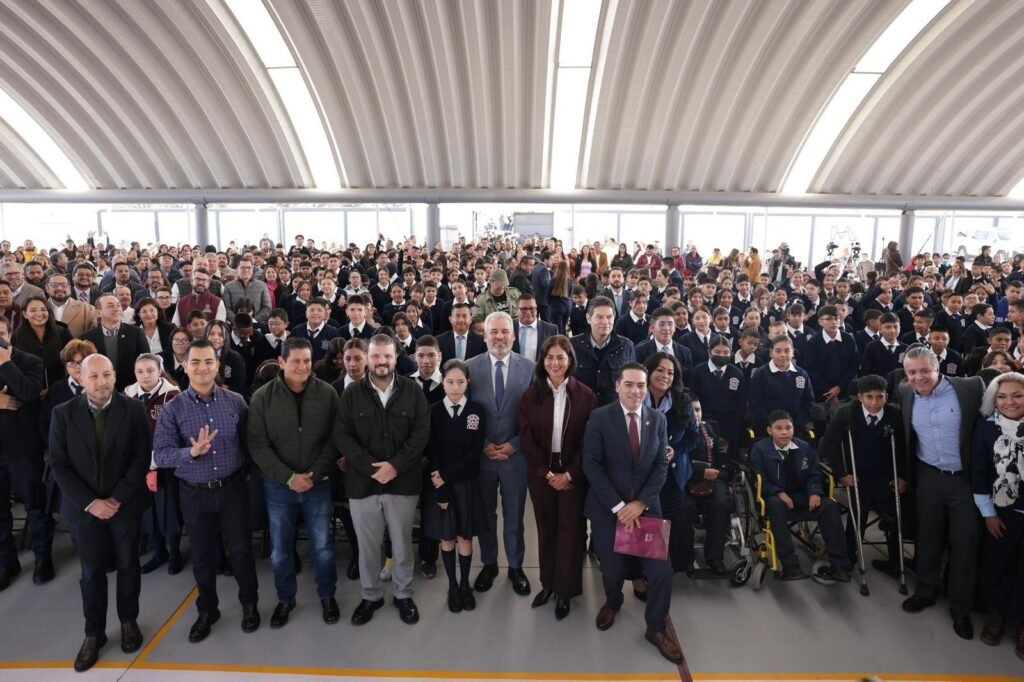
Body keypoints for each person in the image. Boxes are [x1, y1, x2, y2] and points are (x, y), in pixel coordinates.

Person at [48, 354, 151, 672]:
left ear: (115, 376)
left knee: (128, 565)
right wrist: (91, 503)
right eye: (93, 376)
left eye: (106, 375)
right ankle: (94, 633)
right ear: (81, 378)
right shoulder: (62, 413)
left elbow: (141, 457)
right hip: (84, 510)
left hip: (125, 506)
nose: (101, 382)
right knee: (91, 572)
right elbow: (59, 465)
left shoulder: (133, 409)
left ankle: (129, 621)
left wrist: (117, 498)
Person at [153, 340, 261, 643]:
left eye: (209, 362)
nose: (203, 368)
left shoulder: (236, 402)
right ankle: (207, 610)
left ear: (217, 366)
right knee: (202, 556)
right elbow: (161, 454)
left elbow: (249, 445)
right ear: (185, 367)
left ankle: (249, 604)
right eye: (196, 362)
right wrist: (190, 453)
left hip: (232, 490)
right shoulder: (172, 408)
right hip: (194, 493)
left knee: (241, 551)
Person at [581, 362, 682, 664]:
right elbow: (592, 465)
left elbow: (661, 465)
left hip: (646, 509)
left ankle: (655, 627)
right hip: (608, 509)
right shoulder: (600, 418)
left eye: (640, 385)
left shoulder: (657, 420)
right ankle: (613, 602)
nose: (635, 391)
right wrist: (619, 507)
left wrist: (641, 504)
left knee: (661, 572)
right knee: (612, 571)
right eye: (629, 384)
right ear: (617, 386)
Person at [333, 334, 430, 626]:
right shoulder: (351, 394)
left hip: (403, 482)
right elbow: (343, 436)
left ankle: (403, 594)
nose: (381, 362)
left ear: (396, 358)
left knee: (401, 543)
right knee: (367, 547)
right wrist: (373, 468)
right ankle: (371, 595)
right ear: (368, 358)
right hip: (363, 484)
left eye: (387, 356)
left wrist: (395, 466)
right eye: (375, 356)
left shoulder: (413, 391)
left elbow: (421, 434)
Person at [249, 338, 341, 629]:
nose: (302, 366)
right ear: (281, 362)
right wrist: (288, 477)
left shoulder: (327, 394)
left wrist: (313, 474)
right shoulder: (262, 398)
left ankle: (327, 595)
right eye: (296, 361)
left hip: (318, 484)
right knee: (280, 550)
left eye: (307, 360)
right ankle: (285, 599)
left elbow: (335, 439)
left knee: (323, 546)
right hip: (279, 487)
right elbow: (258, 444)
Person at [897, 346, 984, 640]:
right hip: (928, 476)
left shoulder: (970, 388)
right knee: (928, 536)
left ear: (938, 368)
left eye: (925, 370)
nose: (918, 377)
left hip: (964, 480)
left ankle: (960, 608)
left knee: (965, 544)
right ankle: (926, 591)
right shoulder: (904, 392)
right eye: (912, 372)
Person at [519, 335, 597, 619]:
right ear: (542, 361)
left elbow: (589, 442)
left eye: (560, 357)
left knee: (571, 532)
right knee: (546, 529)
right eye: (549, 357)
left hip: (574, 472)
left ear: (570, 360)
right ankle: (548, 584)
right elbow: (526, 439)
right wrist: (547, 473)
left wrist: (570, 474)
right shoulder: (530, 396)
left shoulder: (586, 396)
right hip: (541, 472)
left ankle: (565, 591)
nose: (555, 363)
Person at [465, 312, 535, 596]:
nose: (499, 337)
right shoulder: (469, 368)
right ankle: (489, 563)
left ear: (514, 336)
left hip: (515, 457)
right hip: (482, 456)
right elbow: (466, 413)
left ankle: (516, 567)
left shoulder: (529, 368)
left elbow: (534, 415)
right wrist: (481, 442)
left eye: (505, 332)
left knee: (514, 516)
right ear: (484, 336)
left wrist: (516, 444)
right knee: (485, 515)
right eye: (493, 332)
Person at [819, 374, 908, 578]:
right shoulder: (846, 414)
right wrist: (842, 474)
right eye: (869, 397)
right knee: (856, 519)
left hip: (887, 477)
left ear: (887, 397)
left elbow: (903, 448)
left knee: (894, 520)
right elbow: (830, 445)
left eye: (880, 397)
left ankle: (896, 562)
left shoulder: (895, 415)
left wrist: (902, 476)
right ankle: (848, 558)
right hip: (858, 477)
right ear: (860, 397)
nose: (875, 402)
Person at [750, 410, 851, 584]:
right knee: (775, 504)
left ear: (793, 429)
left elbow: (814, 474)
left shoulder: (804, 447)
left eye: (788, 428)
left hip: (803, 496)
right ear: (769, 430)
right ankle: (790, 565)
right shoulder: (760, 450)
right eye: (778, 428)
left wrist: (814, 492)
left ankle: (840, 566)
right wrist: (779, 493)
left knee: (830, 506)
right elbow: (759, 480)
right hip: (775, 499)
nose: (784, 432)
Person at [422, 359, 488, 613]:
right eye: (450, 382)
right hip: (441, 485)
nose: (455, 387)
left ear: (467, 382)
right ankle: (452, 585)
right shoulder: (434, 411)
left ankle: (464, 585)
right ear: (443, 382)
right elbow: (433, 450)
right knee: (447, 537)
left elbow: (474, 452)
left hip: (465, 483)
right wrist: (441, 485)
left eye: (460, 382)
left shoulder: (475, 412)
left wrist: (445, 475)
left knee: (465, 537)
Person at [971, 372, 1024, 656]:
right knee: (999, 565)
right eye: (1002, 396)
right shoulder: (986, 428)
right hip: (1002, 512)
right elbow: (979, 472)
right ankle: (998, 615)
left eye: (1018, 395)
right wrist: (988, 513)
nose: (1009, 402)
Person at [0, 316, 53, 588]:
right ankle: (6, 560)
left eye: (0, 333)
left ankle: (43, 557)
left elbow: (29, 392)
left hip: (23, 446)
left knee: (34, 504)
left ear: (10, 334)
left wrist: (5, 364)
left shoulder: (29, 361)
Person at [125, 354, 184, 576]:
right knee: (148, 511)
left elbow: (178, 432)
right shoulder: (128, 395)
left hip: (166, 465)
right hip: (139, 465)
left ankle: (175, 552)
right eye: (140, 371)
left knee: (169, 511)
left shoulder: (172, 396)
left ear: (159, 371)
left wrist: (156, 460)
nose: (145, 375)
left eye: (150, 370)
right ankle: (160, 552)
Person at [571, 296, 637, 406]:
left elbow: (632, 381)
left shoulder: (626, 346)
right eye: (599, 317)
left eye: (609, 317)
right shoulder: (573, 345)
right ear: (588, 318)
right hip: (581, 409)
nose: (605, 322)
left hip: (613, 410)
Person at [81, 294, 150, 392]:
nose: (117, 309)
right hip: (100, 390)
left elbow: (146, 361)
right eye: (110, 306)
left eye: (118, 305)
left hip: (131, 390)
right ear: (98, 313)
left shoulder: (136, 333)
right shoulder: (87, 338)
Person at [12, 295, 72, 387]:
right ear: (25, 314)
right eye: (33, 310)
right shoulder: (16, 337)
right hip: (29, 388)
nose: (39, 314)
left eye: (43, 309)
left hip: (59, 387)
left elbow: (72, 360)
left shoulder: (62, 333)